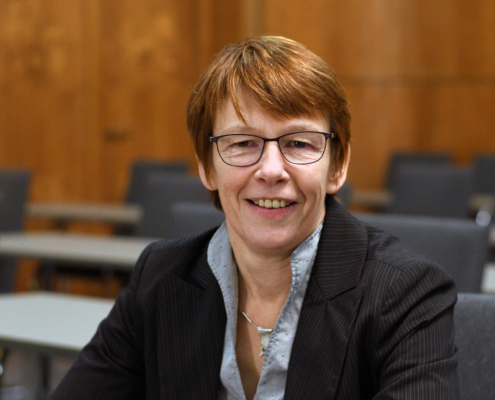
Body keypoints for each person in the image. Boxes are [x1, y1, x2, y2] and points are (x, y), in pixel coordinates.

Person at [50, 36, 459, 399]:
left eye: (298, 143)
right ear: (207, 167)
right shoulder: (160, 276)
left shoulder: (405, 293)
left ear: (337, 166)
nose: (271, 170)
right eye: (243, 143)